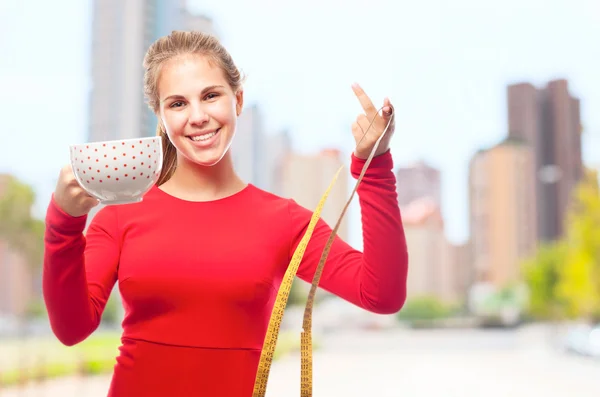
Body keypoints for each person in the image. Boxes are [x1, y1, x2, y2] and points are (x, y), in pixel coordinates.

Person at [42, 30, 409, 396]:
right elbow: (71, 329)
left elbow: (381, 294)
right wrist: (64, 223)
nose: (198, 116)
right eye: (178, 104)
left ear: (238, 99)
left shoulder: (284, 221)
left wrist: (373, 165)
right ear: (160, 114)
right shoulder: (120, 217)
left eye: (211, 96)